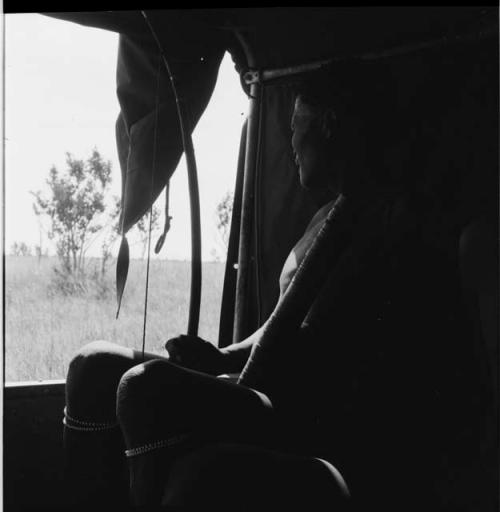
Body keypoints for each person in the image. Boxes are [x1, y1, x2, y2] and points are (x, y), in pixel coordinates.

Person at [63, 60, 485, 511]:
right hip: (263, 386)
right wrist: (222, 357)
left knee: (142, 389)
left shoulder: (392, 222)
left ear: (329, 125)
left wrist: (231, 380)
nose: (291, 147)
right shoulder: (322, 220)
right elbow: (278, 326)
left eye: (295, 127)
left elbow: (326, 346)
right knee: (93, 367)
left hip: (308, 412)